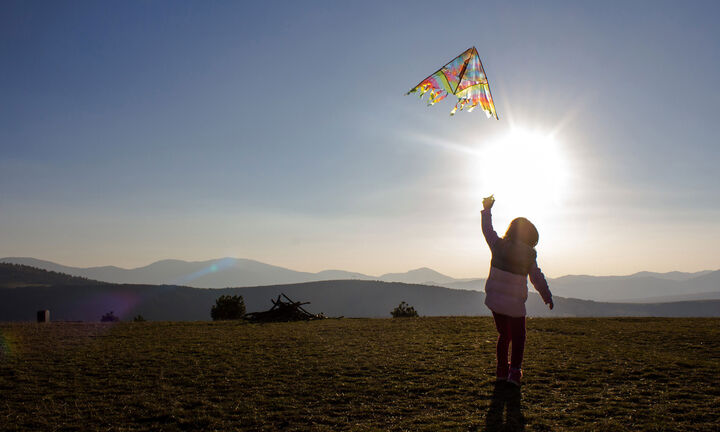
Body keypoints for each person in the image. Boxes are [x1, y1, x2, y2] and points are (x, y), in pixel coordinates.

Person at [481, 195, 553, 386]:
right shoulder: (529, 254)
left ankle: (501, 371)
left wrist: (487, 209)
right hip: (514, 303)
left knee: (504, 336)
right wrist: (546, 295)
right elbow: (536, 276)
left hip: (495, 301)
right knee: (519, 337)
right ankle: (514, 373)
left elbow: (487, 230)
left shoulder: (498, 245)